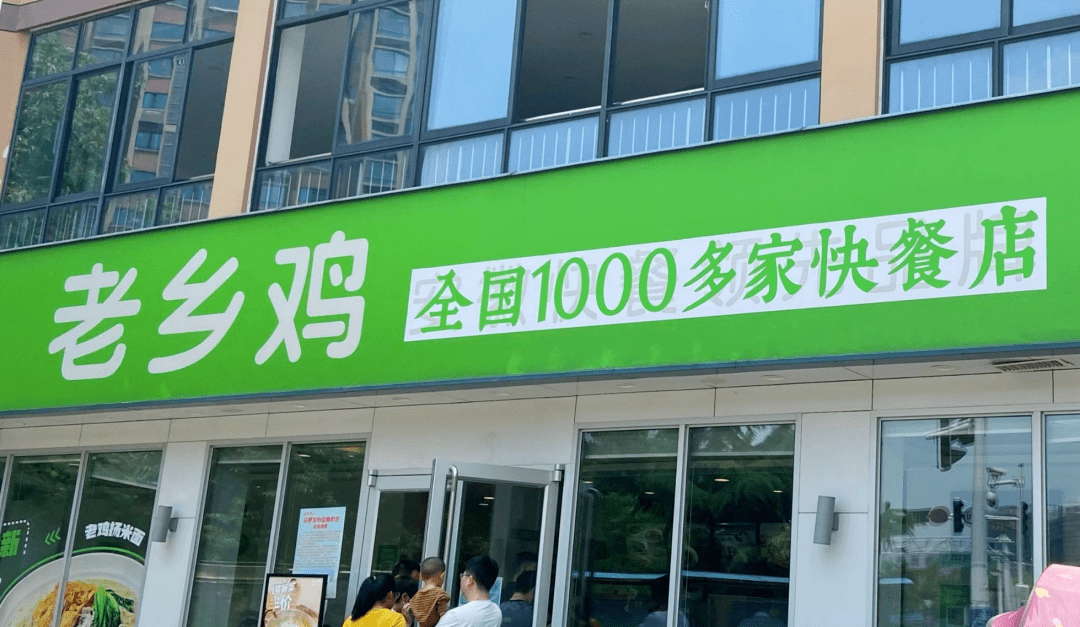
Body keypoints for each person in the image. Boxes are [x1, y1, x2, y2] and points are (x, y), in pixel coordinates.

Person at [436, 556, 503, 627]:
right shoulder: (496, 612)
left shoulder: (455, 616)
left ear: (470, 580)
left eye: (463, 575)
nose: (461, 579)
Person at [408, 557, 451, 627]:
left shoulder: (416, 597)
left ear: (421, 576)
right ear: (442, 576)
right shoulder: (440, 594)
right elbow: (445, 617)